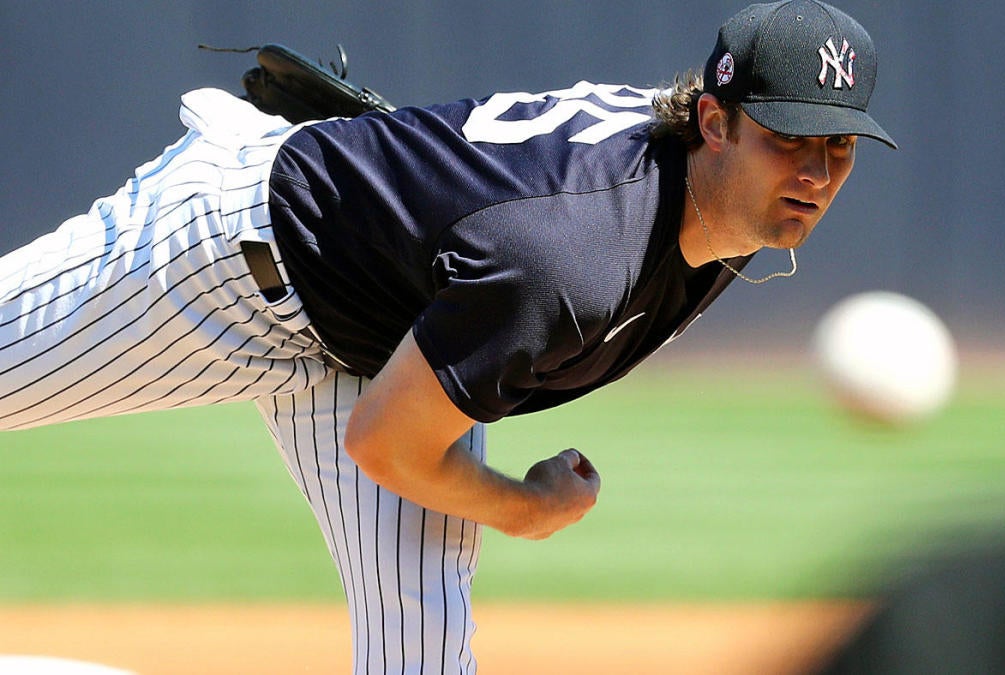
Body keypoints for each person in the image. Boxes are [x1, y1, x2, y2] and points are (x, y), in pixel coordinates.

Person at [0, 1, 894, 672]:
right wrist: (523, 505)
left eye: (840, 148)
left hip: (380, 330)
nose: (816, 173)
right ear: (714, 122)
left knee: (422, 653)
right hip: (222, 258)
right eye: (791, 139)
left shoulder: (713, 199)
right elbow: (385, 443)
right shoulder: (573, 253)